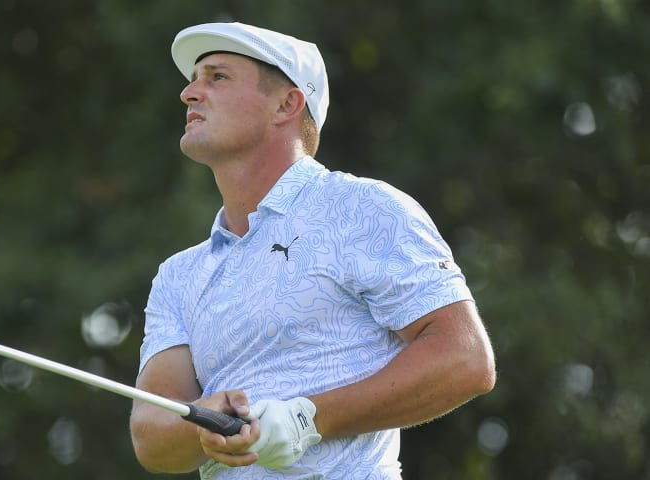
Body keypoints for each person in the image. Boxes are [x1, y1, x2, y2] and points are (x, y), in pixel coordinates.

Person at [130, 21, 496, 479]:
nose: (190, 93)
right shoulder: (178, 275)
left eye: (217, 76)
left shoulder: (361, 208)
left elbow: (464, 358)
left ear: (286, 103)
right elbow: (152, 435)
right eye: (193, 79)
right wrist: (202, 420)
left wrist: (308, 420)